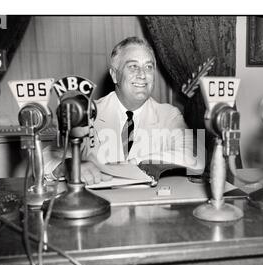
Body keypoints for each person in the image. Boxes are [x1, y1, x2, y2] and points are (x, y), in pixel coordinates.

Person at [44, 36, 204, 185]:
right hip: (100, 206)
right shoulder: (88, 112)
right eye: (133, 66)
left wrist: (132, 165)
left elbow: (195, 157)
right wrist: (68, 165)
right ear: (114, 75)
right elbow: (45, 157)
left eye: (148, 67)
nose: (142, 75)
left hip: (148, 207)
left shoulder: (169, 114)